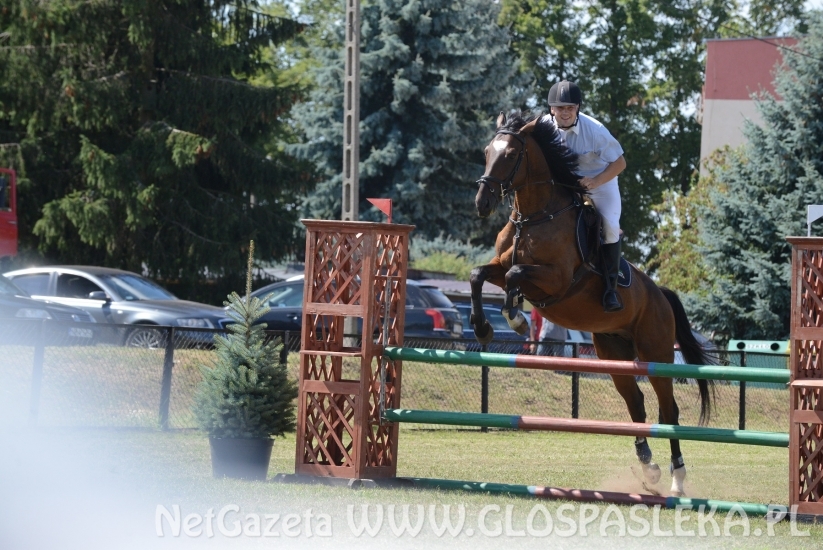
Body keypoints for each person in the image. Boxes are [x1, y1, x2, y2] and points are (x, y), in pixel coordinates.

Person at [543, 80, 627, 312]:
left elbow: (620, 163)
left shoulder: (596, 130)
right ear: (552, 109)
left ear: (578, 107)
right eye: (560, 108)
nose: (565, 112)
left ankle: (611, 289)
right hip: (566, 184)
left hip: (601, 181)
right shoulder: (543, 127)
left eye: (570, 107)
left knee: (610, 226)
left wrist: (595, 182)